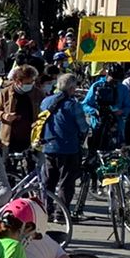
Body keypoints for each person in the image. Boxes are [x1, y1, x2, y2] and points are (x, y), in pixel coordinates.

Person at [37, 72, 90, 218]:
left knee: (48, 181)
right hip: (68, 148)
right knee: (66, 182)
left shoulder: (46, 101)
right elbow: (83, 127)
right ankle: (61, 213)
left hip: (49, 145)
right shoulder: (73, 105)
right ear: (72, 88)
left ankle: (45, 210)